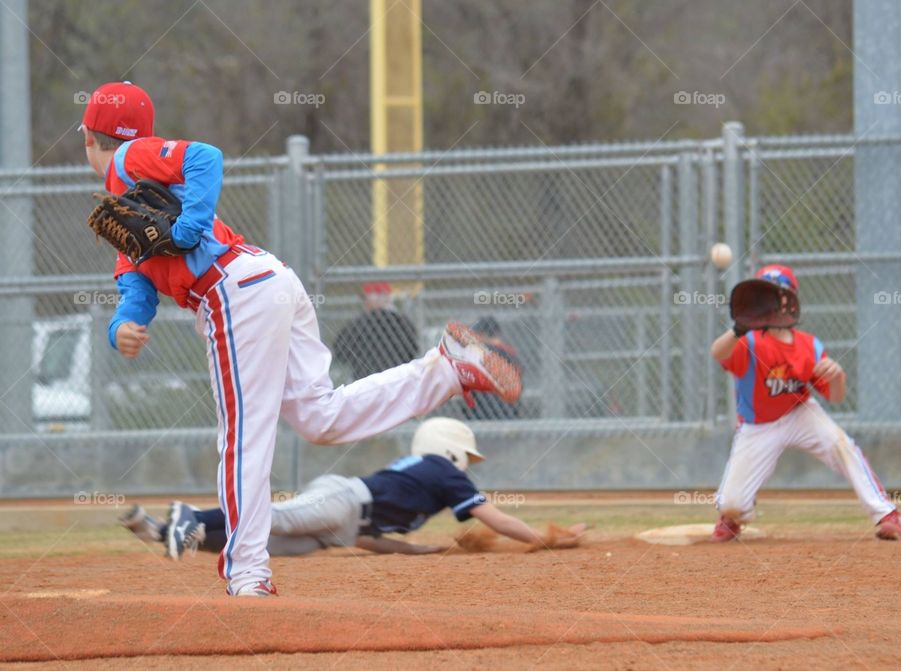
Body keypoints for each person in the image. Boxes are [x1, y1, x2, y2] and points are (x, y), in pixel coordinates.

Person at [81, 81, 521, 597]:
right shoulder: (127, 224)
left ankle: (247, 572)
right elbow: (134, 295)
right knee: (319, 416)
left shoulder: (127, 158)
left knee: (243, 439)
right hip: (269, 280)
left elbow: (205, 156)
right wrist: (122, 329)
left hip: (233, 293)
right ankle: (447, 367)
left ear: (89, 139)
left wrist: (188, 228)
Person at [120, 418, 585, 558]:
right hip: (342, 499)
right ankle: (192, 516)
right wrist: (542, 539)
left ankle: (163, 531)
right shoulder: (443, 471)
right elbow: (494, 517)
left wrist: (421, 552)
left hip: (340, 529)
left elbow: (368, 539)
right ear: (452, 451)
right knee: (273, 517)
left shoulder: (428, 481)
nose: (469, 466)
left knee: (257, 543)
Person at [709, 264, 901, 542]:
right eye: (768, 295)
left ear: (793, 301)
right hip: (758, 425)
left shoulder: (809, 345)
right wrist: (738, 329)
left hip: (800, 412)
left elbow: (836, 396)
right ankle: (733, 517)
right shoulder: (748, 342)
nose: (775, 302)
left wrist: (836, 374)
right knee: (731, 503)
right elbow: (717, 352)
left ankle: (886, 514)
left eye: (782, 295)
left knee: (842, 446)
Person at [333, 282, 419, 379]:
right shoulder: (402, 322)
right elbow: (413, 351)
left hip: (365, 380)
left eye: (366, 298)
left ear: (382, 298)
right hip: (396, 379)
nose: (365, 302)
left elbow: (340, 351)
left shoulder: (358, 323)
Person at [463, 317, 521, 420]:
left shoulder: (477, 351)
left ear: (483, 334)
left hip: (479, 412)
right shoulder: (510, 351)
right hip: (508, 410)